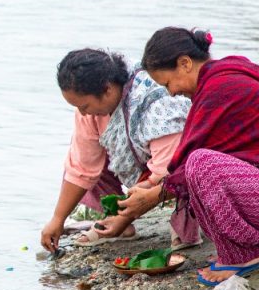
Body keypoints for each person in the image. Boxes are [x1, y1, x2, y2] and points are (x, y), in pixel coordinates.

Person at [117, 28, 259, 285]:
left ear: (185, 63)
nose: (172, 93)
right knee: (197, 167)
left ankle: (245, 254)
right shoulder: (223, 73)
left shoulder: (221, 86)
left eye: (168, 84)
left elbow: (193, 163)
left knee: (200, 164)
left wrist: (154, 195)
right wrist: (155, 185)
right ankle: (249, 246)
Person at [39, 48, 196, 252]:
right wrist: (57, 219)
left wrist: (125, 216)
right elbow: (81, 166)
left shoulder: (157, 102)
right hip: (142, 162)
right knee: (88, 161)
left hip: (175, 164)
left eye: (84, 106)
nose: (82, 113)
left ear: (107, 90)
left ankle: (187, 222)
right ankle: (116, 222)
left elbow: (167, 170)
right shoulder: (89, 112)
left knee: (181, 172)